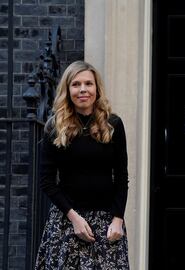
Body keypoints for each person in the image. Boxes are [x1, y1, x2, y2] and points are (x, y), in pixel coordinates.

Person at [35, 61, 129, 269]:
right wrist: (74, 218)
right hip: (67, 222)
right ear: (68, 90)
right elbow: (46, 181)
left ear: (97, 88)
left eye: (89, 83)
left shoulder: (113, 124)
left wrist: (117, 219)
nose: (83, 89)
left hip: (107, 224)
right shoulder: (55, 126)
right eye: (76, 84)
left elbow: (121, 176)